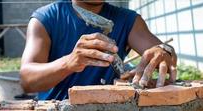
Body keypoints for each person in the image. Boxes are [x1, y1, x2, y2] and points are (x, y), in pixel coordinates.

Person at [20, 0, 177, 100]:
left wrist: (164, 51)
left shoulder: (128, 20)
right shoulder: (46, 18)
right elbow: (27, 81)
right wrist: (68, 63)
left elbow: (164, 54)